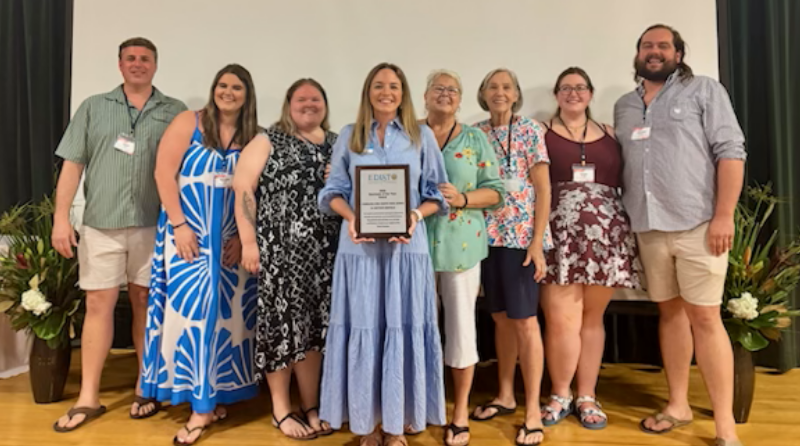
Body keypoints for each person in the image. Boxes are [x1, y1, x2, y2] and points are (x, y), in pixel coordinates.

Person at [614, 24, 746, 446]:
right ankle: (677, 406)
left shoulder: (704, 90)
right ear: (638, 54)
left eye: (662, 46)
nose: (654, 52)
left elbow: (731, 152)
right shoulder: (624, 106)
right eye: (646, 46)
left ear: (678, 53)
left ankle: (725, 426)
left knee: (705, 317)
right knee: (670, 315)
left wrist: (724, 216)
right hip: (649, 229)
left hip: (699, 226)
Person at [51, 37, 187, 432]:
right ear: (120, 64)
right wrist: (61, 218)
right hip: (101, 225)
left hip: (153, 225)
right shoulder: (93, 107)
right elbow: (72, 165)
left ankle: (147, 386)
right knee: (99, 304)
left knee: (146, 302)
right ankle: (88, 397)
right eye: (131, 58)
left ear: (155, 65)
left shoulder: (174, 111)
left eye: (145, 58)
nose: (138, 64)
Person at [317, 62, 448, 446]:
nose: (386, 92)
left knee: (402, 328)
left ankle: (395, 425)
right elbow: (331, 192)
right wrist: (352, 217)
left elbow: (436, 195)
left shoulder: (421, 136)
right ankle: (367, 424)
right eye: (378, 85)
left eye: (393, 86)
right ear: (368, 92)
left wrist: (413, 216)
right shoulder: (350, 135)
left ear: (403, 93)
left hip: (406, 251)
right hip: (360, 250)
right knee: (364, 327)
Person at [139, 64, 260, 445]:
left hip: (230, 247)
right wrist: (179, 225)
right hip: (188, 240)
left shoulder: (253, 135)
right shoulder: (189, 122)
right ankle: (199, 408)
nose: (228, 92)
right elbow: (163, 175)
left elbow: (253, 192)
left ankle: (215, 395)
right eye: (222, 85)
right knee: (192, 319)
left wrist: (242, 237)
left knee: (227, 322)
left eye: (237, 87)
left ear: (247, 94)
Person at [233, 78, 339, 441]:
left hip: (326, 255)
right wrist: (249, 242)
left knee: (314, 330)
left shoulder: (337, 143)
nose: (309, 104)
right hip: (281, 254)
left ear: (325, 104)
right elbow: (243, 187)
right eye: (301, 99)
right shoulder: (268, 139)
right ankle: (281, 409)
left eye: (315, 99)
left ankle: (311, 404)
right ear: (288, 104)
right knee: (281, 329)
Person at [538, 67, 640, 430]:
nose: (573, 93)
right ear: (556, 94)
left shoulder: (611, 134)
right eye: (566, 88)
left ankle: (586, 395)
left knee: (592, 319)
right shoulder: (540, 133)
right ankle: (559, 394)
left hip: (606, 238)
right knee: (561, 319)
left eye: (580, 87)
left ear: (591, 94)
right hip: (558, 237)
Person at [420, 69, 504, 446]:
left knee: (461, 331)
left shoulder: (475, 138)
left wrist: (463, 198)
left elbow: (496, 192)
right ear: (424, 96)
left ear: (461, 99)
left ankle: (459, 413)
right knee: (417, 330)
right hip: (412, 249)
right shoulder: (408, 135)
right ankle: (419, 405)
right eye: (438, 88)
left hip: (462, 248)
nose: (445, 94)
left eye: (452, 90)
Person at [471, 68, 551, 446]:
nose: (499, 92)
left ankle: (533, 410)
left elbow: (543, 189)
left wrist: (537, 243)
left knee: (525, 322)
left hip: (520, 239)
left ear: (516, 94)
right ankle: (505, 395)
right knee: (501, 319)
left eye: (506, 87)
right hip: (486, 239)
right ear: (483, 93)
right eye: (493, 86)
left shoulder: (531, 130)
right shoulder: (476, 133)